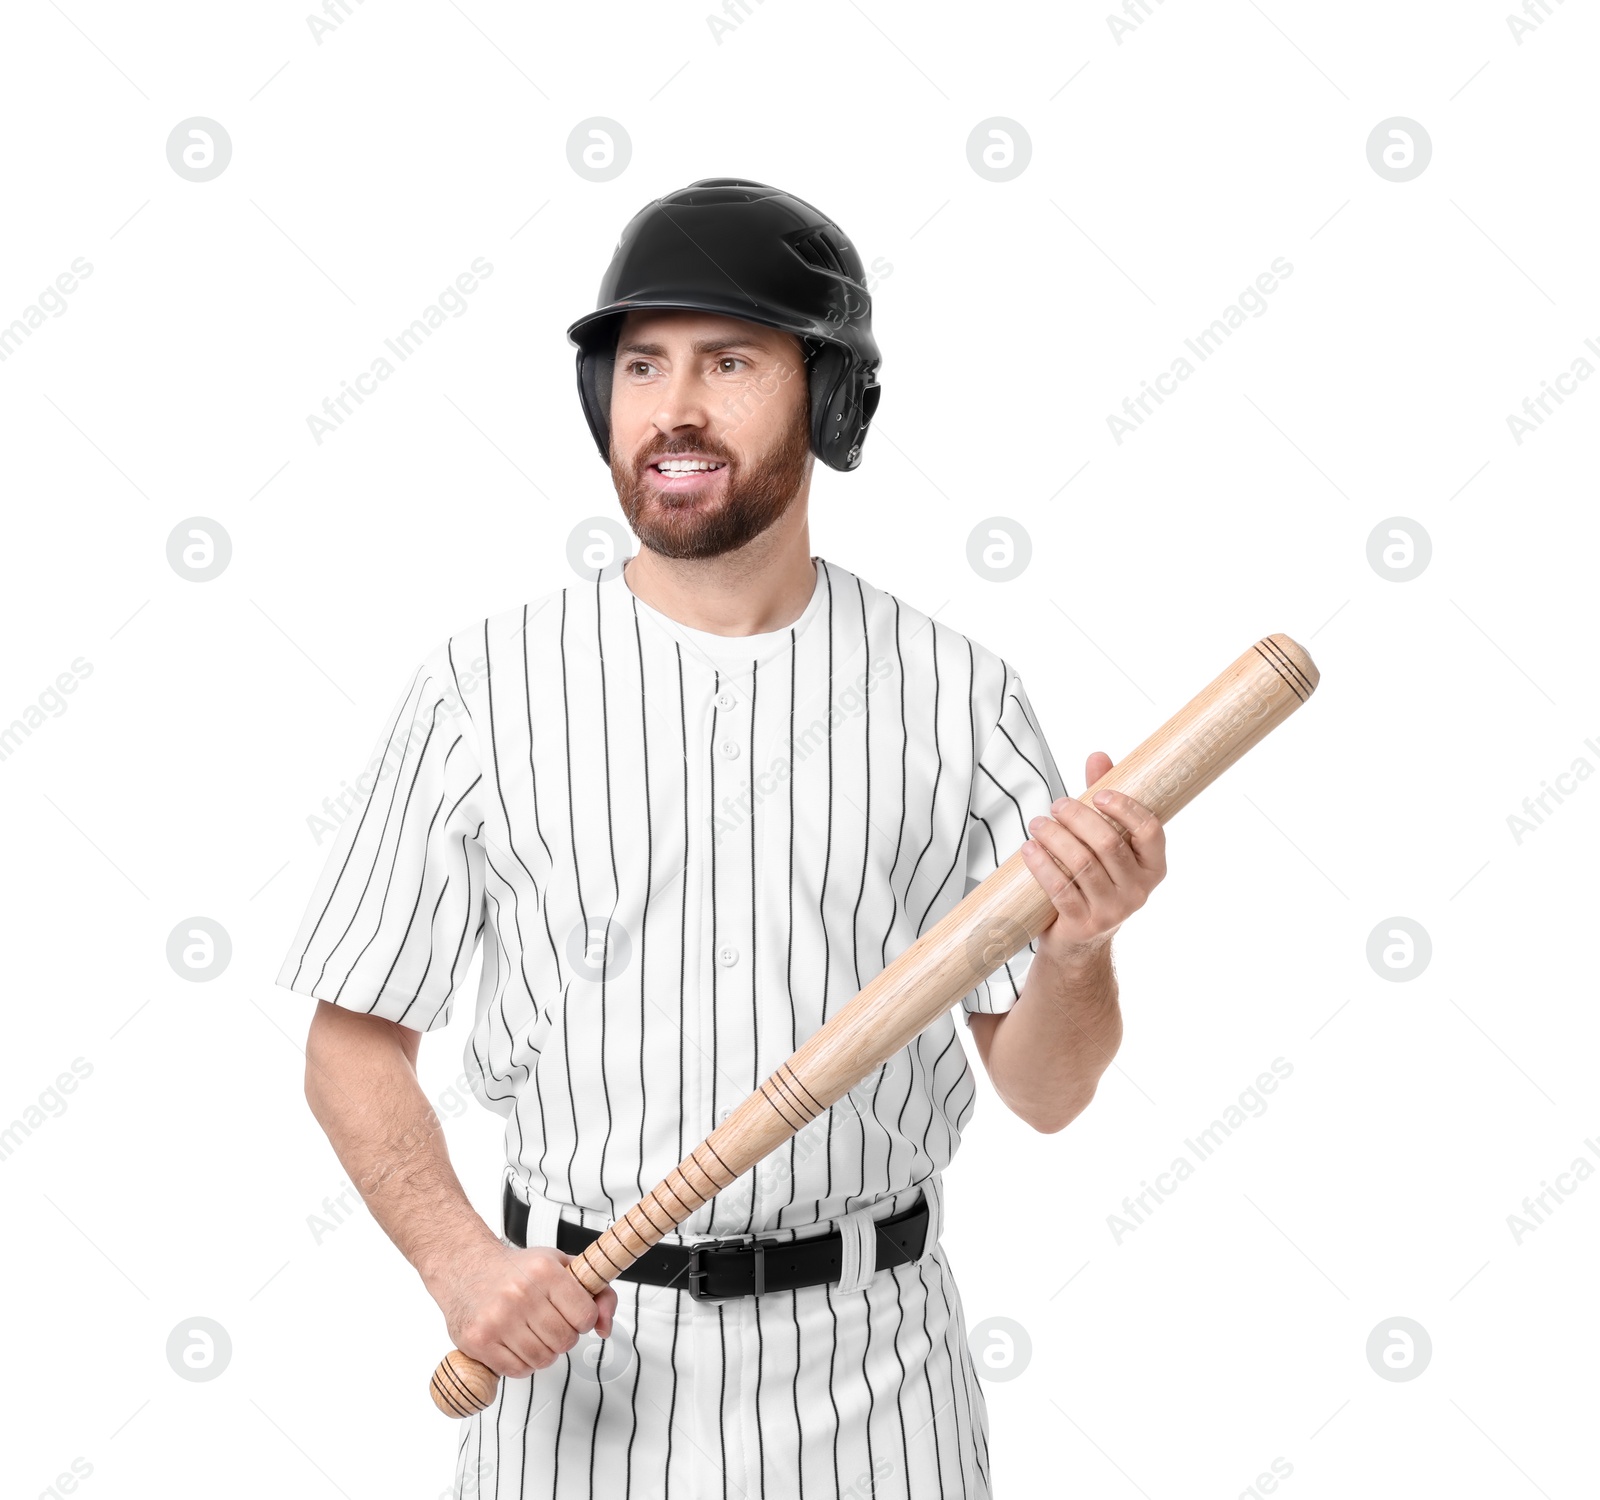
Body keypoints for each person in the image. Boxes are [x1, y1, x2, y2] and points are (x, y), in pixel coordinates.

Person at [276, 178, 1167, 1498]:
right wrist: (463, 1265)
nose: (673, 408)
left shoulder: (959, 695)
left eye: (729, 362)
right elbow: (351, 1043)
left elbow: (1044, 1089)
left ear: (829, 396)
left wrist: (1083, 947)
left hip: (873, 1380)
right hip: (569, 1367)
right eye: (642, 366)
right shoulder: (483, 689)